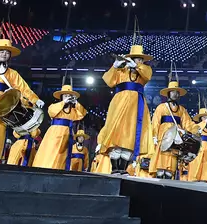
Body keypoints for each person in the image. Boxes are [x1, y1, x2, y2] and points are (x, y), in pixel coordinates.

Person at [97, 45, 155, 174]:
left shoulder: (144, 70)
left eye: (141, 60)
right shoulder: (121, 71)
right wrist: (115, 66)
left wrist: (136, 66)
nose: (140, 61)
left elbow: (147, 75)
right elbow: (108, 81)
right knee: (115, 132)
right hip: (119, 103)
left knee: (130, 134)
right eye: (137, 59)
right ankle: (114, 168)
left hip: (136, 106)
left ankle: (123, 169)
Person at [33, 83, 86, 170]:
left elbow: (82, 114)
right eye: (65, 96)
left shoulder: (73, 111)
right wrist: (63, 102)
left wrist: (76, 103)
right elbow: (51, 112)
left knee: (62, 157)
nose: (67, 97)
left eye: (70, 96)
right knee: (50, 154)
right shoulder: (55, 107)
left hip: (67, 136)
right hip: (54, 135)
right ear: (61, 97)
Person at [150, 81, 194, 179]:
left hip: (176, 138)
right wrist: (154, 136)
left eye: (177, 92)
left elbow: (187, 123)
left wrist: (195, 129)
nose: (175, 94)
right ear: (168, 93)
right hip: (163, 137)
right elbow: (155, 122)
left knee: (171, 166)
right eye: (173, 91)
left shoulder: (182, 109)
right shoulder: (161, 107)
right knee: (161, 165)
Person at [187, 107, 207, 182]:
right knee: (197, 164)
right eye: (204, 117)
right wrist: (204, 123)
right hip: (199, 147)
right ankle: (193, 179)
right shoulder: (197, 125)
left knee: (206, 166)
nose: (206, 118)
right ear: (201, 118)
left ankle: (204, 179)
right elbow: (194, 130)